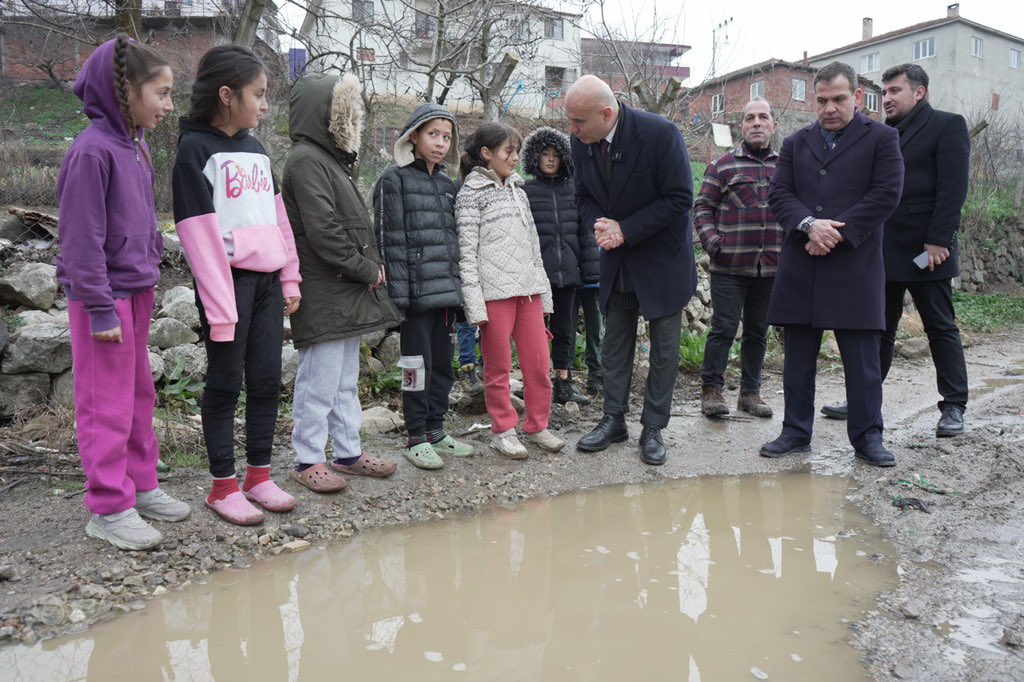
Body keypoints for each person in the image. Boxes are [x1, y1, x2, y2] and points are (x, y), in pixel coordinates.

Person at [57, 34, 190, 551]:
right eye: (161, 93)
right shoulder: (92, 152)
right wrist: (97, 307)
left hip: (136, 290)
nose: (169, 104)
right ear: (124, 92)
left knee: (138, 395)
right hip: (103, 299)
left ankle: (140, 484)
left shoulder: (133, 145)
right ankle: (109, 507)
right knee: (105, 403)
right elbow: (80, 240)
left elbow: (140, 221)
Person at [172, 45, 302, 525]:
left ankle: (259, 476)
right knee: (226, 382)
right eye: (259, 94)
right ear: (227, 95)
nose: (265, 104)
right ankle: (223, 486)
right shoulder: (194, 151)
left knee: (267, 379)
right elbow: (198, 238)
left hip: (268, 282)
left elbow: (278, 218)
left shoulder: (256, 148)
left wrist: (290, 275)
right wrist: (221, 307)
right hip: (226, 286)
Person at [760, 61, 904, 467]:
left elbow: (887, 193)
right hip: (803, 262)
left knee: (862, 361)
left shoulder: (882, 138)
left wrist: (834, 233)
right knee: (798, 359)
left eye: (839, 99)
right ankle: (795, 431)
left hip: (854, 264)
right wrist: (809, 225)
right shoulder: (795, 142)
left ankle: (867, 437)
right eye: (821, 100)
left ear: (857, 97)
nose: (829, 108)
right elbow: (779, 194)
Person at [821, 64, 970, 438]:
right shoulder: (882, 134)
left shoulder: (947, 126)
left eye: (894, 91)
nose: (886, 98)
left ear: (919, 92)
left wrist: (940, 239)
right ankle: (863, 399)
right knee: (877, 329)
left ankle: (953, 406)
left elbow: (953, 189)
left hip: (926, 249)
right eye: (884, 92)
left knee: (940, 327)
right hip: (882, 248)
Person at [566, 75, 696, 466]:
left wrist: (627, 229)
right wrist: (602, 226)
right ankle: (613, 420)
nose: (571, 131)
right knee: (615, 342)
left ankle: (653, 427)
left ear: (607, 113)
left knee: (665, 349)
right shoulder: (582, 140)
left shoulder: (660, 134)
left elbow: (680, 198)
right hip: (617, 258)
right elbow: (583, 196)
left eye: (578, 122)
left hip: (662, 260)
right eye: (570, 122)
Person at [282, 73, 402, 493]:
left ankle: (348, 452)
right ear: (326, 116)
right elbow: (324, 232)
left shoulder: (328, 160)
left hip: (341, 291)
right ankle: (307, 459)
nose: (352, 119)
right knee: (318, 381)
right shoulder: (306, 160)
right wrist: (366, 268)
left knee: (345, 380)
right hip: (324, 291)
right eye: (343, 112)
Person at [374, 103, 475, 470]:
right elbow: (388, 242)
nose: (440, 143)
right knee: (416, 367)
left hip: (445, 296)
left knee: (444, 368)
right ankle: (415, 435)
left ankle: (436, 429)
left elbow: (454, 243)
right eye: (433, 134)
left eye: (446, 137)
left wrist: (462, 293)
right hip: (415, 297)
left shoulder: (447, 185)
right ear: (413, 136)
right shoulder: (393, 180)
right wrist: (397, 299)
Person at [456, 122, 565, 458]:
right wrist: (475, 306)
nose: (515, 158)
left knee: (538, 364)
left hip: (529, 293)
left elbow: (534, 248)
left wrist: (544, 293)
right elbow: (466, 254)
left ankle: (537, 426)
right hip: (494, 297)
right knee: (499, 368)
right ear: (486, 154)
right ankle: (503, 430)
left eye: (516, 151)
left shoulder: (520, 191)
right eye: (509, 151)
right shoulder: (470, 195)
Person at [694, 99, 783, 419]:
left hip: (771, 266)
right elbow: (702, 208)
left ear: (773, 125)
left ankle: (750, 393)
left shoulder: (787, 167)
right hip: (729, 266)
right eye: (749, 118)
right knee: (723, 328)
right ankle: (712, 390)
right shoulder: (723, 166)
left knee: (759, 330)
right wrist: (714, 243)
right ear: (741, 127)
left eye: (763, 117)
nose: (757, 122)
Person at [521, 125, 599, 406]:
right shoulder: (526, 191)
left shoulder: (574, 189)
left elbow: (586, 233)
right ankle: (535, 382)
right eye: (545, 154)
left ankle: (563, 383)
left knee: (565, 330)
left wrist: (590, 272)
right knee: (535, 332)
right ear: (535, 157)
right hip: (537, 276)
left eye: (556, 154)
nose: (551, 159)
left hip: (569, 274)